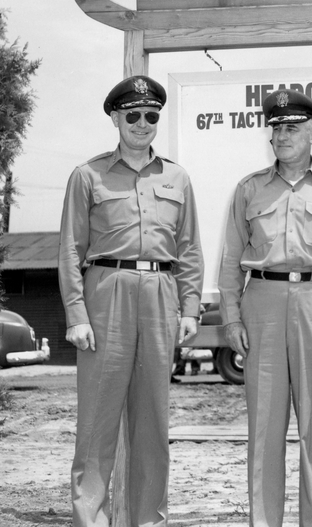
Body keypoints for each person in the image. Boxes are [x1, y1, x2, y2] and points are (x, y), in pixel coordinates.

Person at [218, 89, 312, 527]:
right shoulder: (249, 189)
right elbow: (231, 261)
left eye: (293, 127)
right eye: (277, 128)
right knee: (264, 427)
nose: (282, 135)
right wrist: (230, 318)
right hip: (262, 302)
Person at [58, 75, 204, 527]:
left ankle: (149, 522)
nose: (143, 124)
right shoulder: (88, 175)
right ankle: (91, 520)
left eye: (151, 115)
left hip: (160, 297)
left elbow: (190, 248)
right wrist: (77, 314)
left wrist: (191, 306)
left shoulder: (177, 177)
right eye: (133, 115)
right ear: (116, 118)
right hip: (107, 295)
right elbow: (68, 250)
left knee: (153, 426)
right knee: (97, 425)